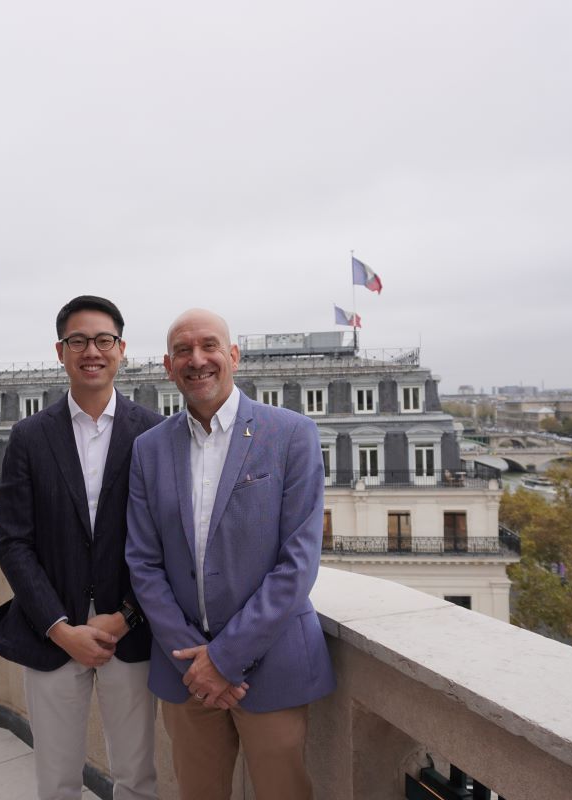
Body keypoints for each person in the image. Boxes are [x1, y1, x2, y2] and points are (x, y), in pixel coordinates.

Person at [125, 308, 335, 800]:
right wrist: (195, 664)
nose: (197, 360)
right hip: (186, 674)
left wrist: (224, 658)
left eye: (209, 346)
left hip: (272, 665)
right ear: (167, 365)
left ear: (234, 356)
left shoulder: (291, 435)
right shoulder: (148, 449)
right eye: (183, 350)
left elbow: (297, 563)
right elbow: (143, 562)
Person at [0, 295, 161, 800]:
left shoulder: (152, 433)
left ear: (121, 349)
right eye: (78, 341)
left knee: (137, 776)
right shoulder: (28, 437)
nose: (92, 351)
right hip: (51, 635)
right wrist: (60, 628)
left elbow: (164, 542)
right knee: (57, 778)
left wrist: (124, 616)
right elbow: (14, 543)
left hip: (129, 633)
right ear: (60, 351)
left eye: (103, 340)